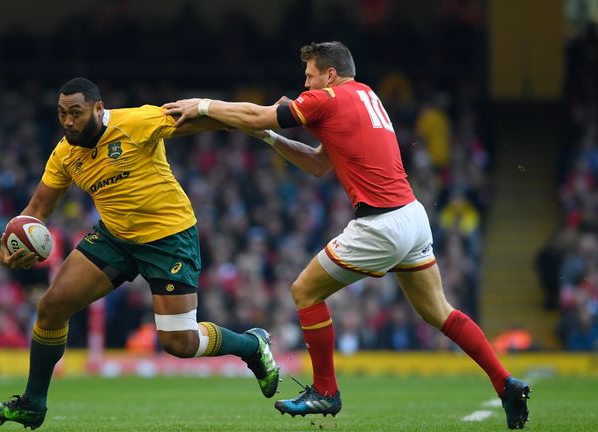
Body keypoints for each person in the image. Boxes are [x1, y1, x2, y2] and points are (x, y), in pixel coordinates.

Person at [163, 41, 531, 429]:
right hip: (412, 216)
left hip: (381, 225)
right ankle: (505, 383)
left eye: (309, 76)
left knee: (305, 291)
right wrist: (270, 138)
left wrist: (203, 105)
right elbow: (319, 163)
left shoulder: (327, 99)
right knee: (439, 312)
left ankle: (325, 391)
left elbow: (259, 115)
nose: (305, 85)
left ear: (330, 75)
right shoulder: (366, 95)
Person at [0, 78, 280, 429]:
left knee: (178, 342)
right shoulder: (65, 153)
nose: (68, 121)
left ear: (97, 107)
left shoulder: (136, 122)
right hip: (116, 237)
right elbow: (37, 209)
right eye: (62, 113)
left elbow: (213, 120)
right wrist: (10, 242)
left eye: (75, 113)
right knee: (51, 307)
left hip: (168, 238)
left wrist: (262, 118)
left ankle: (251, 345)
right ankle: (33, 403)